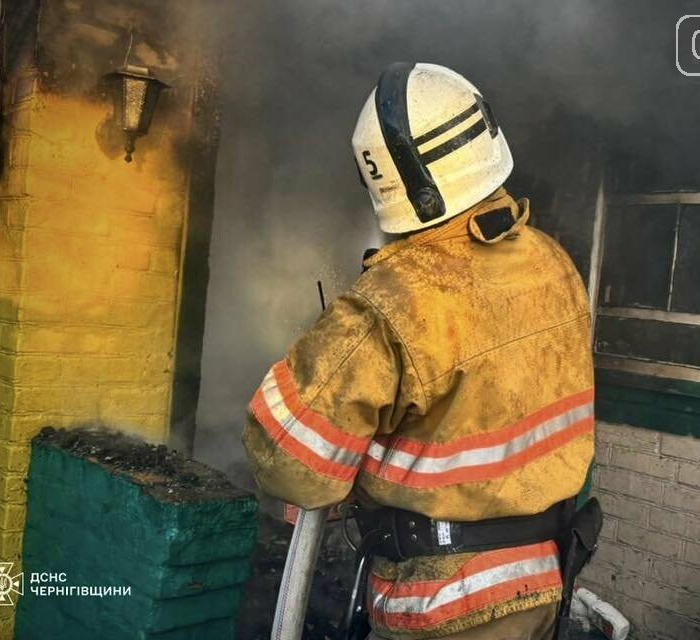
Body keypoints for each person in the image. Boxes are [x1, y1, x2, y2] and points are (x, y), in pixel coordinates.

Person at [243, 62, 595, 640]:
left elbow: (290, 463)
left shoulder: (396, 298)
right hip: (541, 588)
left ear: (385, 183)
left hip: (445, 605)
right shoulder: (553, 263)